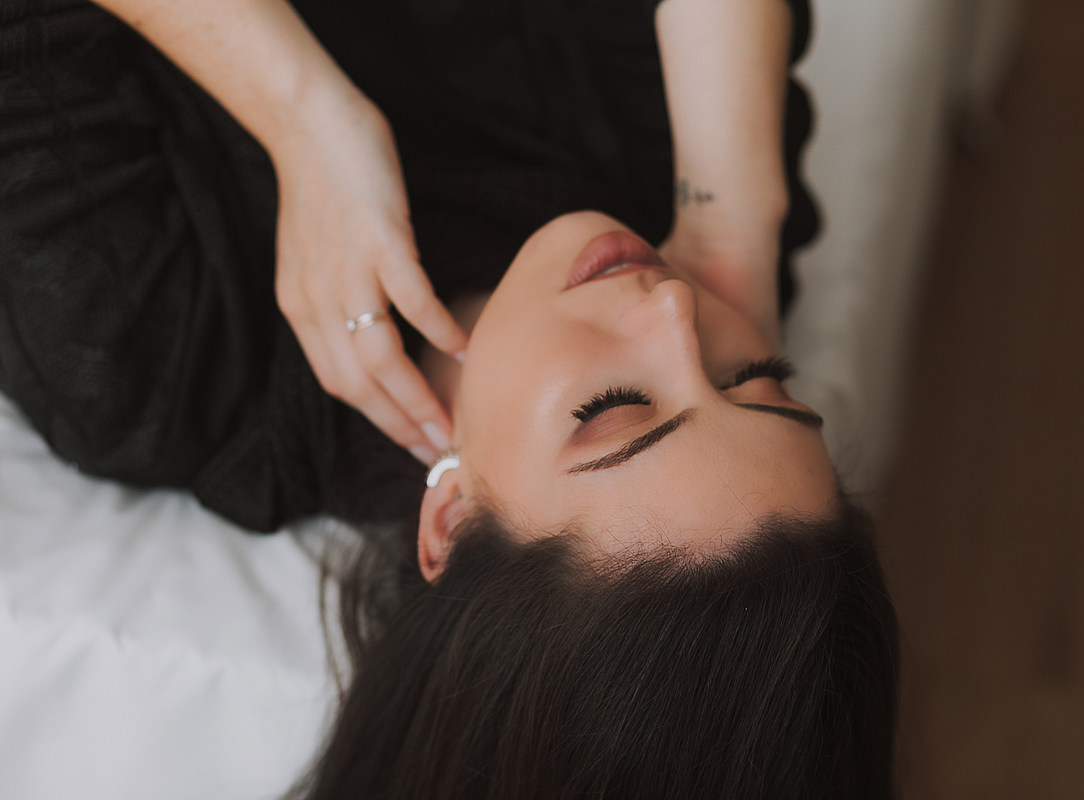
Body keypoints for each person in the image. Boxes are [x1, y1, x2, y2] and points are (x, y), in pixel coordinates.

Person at [0, 0, 899, 797]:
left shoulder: (146, 346)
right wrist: (736, 220)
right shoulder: (680, 203)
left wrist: (305, 117)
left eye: (616, 408)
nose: (674, 308)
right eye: (756, 378)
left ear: (455, 520)